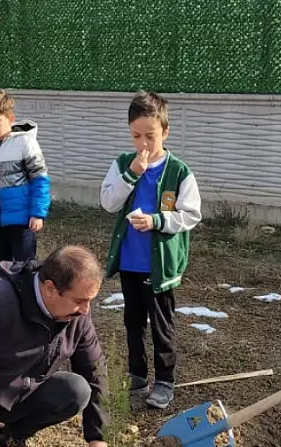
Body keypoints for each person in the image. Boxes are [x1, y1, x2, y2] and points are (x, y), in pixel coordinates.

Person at [99, 91, 202, 410]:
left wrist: (157, 220)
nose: (143, 143)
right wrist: (132, 173)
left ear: (165, 132)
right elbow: (108, 202)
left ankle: (164, 381)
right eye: (136, 136)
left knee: (162, 324)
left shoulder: (179, 171)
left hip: (161, 267)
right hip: (131, 261)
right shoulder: (122, 164)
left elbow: (191, 214)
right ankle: (137, 374)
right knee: (132, 320)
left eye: (150, 136)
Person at [0, 245, 118, 447]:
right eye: (80, 301)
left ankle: (9, 439)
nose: (86, 310)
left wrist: (98, 439)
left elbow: (95, 371)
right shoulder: (3, 300)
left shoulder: (77, 317)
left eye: (90, 301)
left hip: (20, 394)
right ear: (50, 288)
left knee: (75, 391)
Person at [0, 89, 51, 262]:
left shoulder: (24, 142)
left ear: (11, 119)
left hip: (22, 220)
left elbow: (40, 179)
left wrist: (38, 213)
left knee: (24, 267)